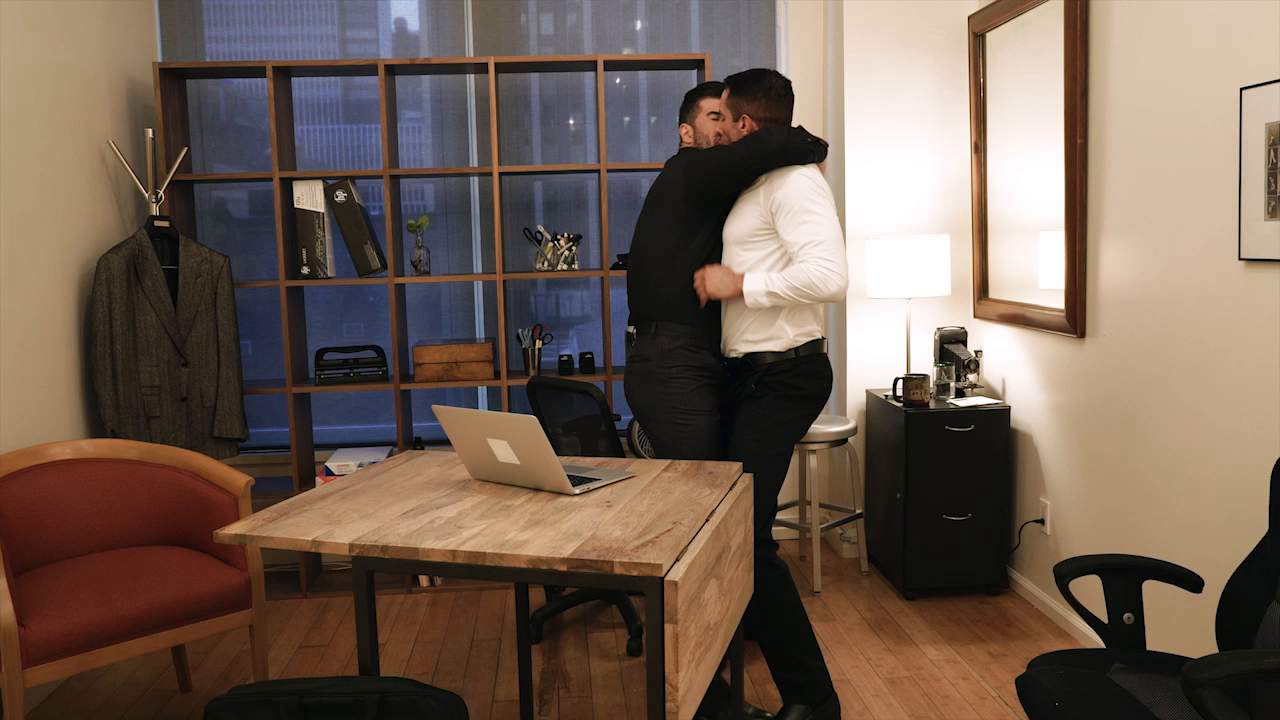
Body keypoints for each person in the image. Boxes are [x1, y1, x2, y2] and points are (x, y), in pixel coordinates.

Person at [694, 68, 848, 720]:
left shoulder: (794, 182)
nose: (717, 130)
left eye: (723, 118)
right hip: (750, 375)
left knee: (747, 538)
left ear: (746, 123)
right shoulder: (755, 183)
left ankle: (814, 701)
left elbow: (830, 276)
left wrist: (741, 286)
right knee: (731, 535)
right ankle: (716, 689)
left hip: (786, 375)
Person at [625, 81, 828, 463]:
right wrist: (814, 148)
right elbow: (767, 146)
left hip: (689, 356)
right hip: (672, 359)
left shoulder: (718, 186)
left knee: (716, 483)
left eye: (727, 118)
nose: (723, 128)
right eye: (714, 117)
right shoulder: (690, 169)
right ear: (686, 133)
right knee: (704, 486)